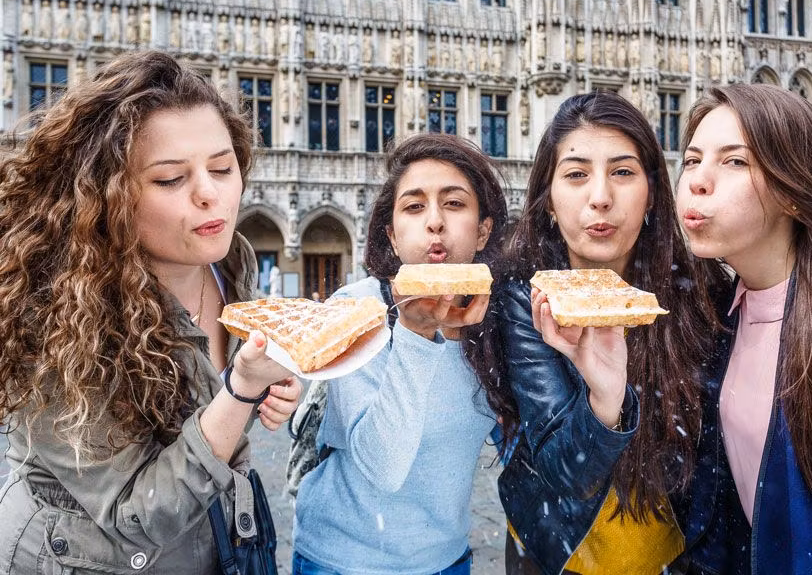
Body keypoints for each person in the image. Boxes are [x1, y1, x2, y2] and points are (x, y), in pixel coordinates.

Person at [0, 51, 302, 574]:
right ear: (107, 196)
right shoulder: (54, 316)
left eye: (223, 167)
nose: (212, 195)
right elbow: (137, 515)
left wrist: (268, 388)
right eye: (170, 180)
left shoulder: (230, 262)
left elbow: (206, 402)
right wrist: (241, 393)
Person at [490, 91, 734, 574]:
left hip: (671, 557)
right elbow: (565, 475)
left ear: (651, 194)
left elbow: (717, 470)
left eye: (622, 172)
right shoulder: (525, 296)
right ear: (549, 202)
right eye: (576, 174)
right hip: (556, 555)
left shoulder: (700, 293)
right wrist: (605, 402)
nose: (600, 196)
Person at [677, 83, 812, 572]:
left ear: (794, 191)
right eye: (692, 160)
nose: (697, 181)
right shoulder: (724, 317)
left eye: (735, 162)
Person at [291, 133, 510, 575]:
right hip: (343, 561)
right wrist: (413, 331)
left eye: (454, 204)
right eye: (414, 207)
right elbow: (383, 467)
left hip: (446, 560)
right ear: (391, 236)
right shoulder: (357, 311)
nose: (434, 222)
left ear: (483, 229)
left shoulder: (500, 324)